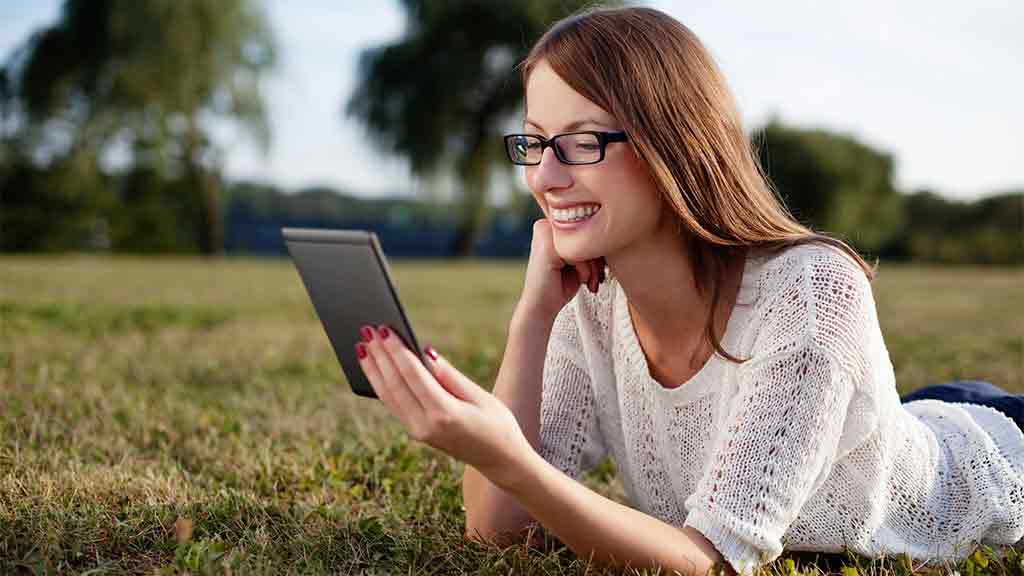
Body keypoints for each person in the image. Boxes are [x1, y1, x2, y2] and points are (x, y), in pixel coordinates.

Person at [352, 6, 1024, 575]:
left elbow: (710, 560)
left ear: (671, 144)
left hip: (988, 456)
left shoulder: (813, 293)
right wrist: (532, 318)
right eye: (533, 143)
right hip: (897, 425)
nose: (545, 177)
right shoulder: (588, 295)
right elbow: (498, 532)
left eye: (581, 144)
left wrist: (512, 460)